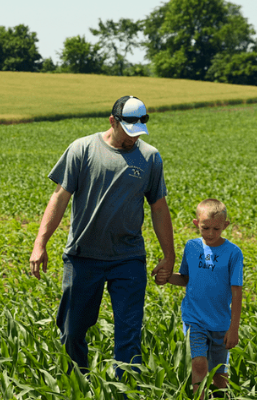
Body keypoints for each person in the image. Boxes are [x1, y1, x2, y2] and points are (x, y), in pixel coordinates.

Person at [29, 95, 177, 376]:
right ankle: (78, 386)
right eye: (128, 131)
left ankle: (123, 393)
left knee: (129, 337)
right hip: (83, 257)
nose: (133, 139)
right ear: (112, 121)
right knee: (71, 332)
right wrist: (40, 243)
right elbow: (60, 197)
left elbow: (159, 208)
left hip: (129, 259)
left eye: (138, 132)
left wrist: (169, 256)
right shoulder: (82, 149)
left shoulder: (149, 158)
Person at [156, 198, 245, 398]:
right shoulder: (191, 247)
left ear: (225, 225)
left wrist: (234, 328)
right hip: (194, 319)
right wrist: (167, 277)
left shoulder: (233, 253)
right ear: (197, 224)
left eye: (216, 229)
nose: (211, 234)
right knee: (199, 363)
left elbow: (237, 292)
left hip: (221, 322)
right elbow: (186, 278)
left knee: (220, 376)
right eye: (205, 228)